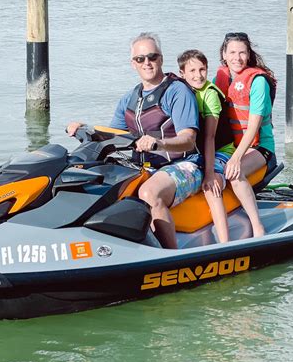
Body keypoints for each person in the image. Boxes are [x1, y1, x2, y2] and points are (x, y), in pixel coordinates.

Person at [67, 32, 202, 249]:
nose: (147, 63)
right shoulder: (130, 98)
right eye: (141, 59)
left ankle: (170, 256)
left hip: (184, 165)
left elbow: (188, 139)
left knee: (149, 193)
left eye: (152, 57)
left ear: (161, 59)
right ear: (133, 63)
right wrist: (84, 128)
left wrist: (159, 143)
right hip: (143, 167)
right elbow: (113, 135)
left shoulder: (177, 91)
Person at [214, 32, 277, 238]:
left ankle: (257, 226)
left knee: (234, 172)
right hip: (231, 146)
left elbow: (252, 128)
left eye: (242, 53)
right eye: (232, 52)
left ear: (249, 54)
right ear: (224, 54)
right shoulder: (220, 78)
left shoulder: (258, 82)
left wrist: (235, 159)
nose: (237, 58)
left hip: (260, 148)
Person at [177, 49, 234, 243]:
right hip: (199, 151)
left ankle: (225, 243)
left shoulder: (209, 95)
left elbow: (210, 137)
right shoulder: (183, 91)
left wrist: (210, 173)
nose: (198, 75)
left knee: (211, 187)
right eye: (192, 71)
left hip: (222, 150)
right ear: (182, 74)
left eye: (202, 69)